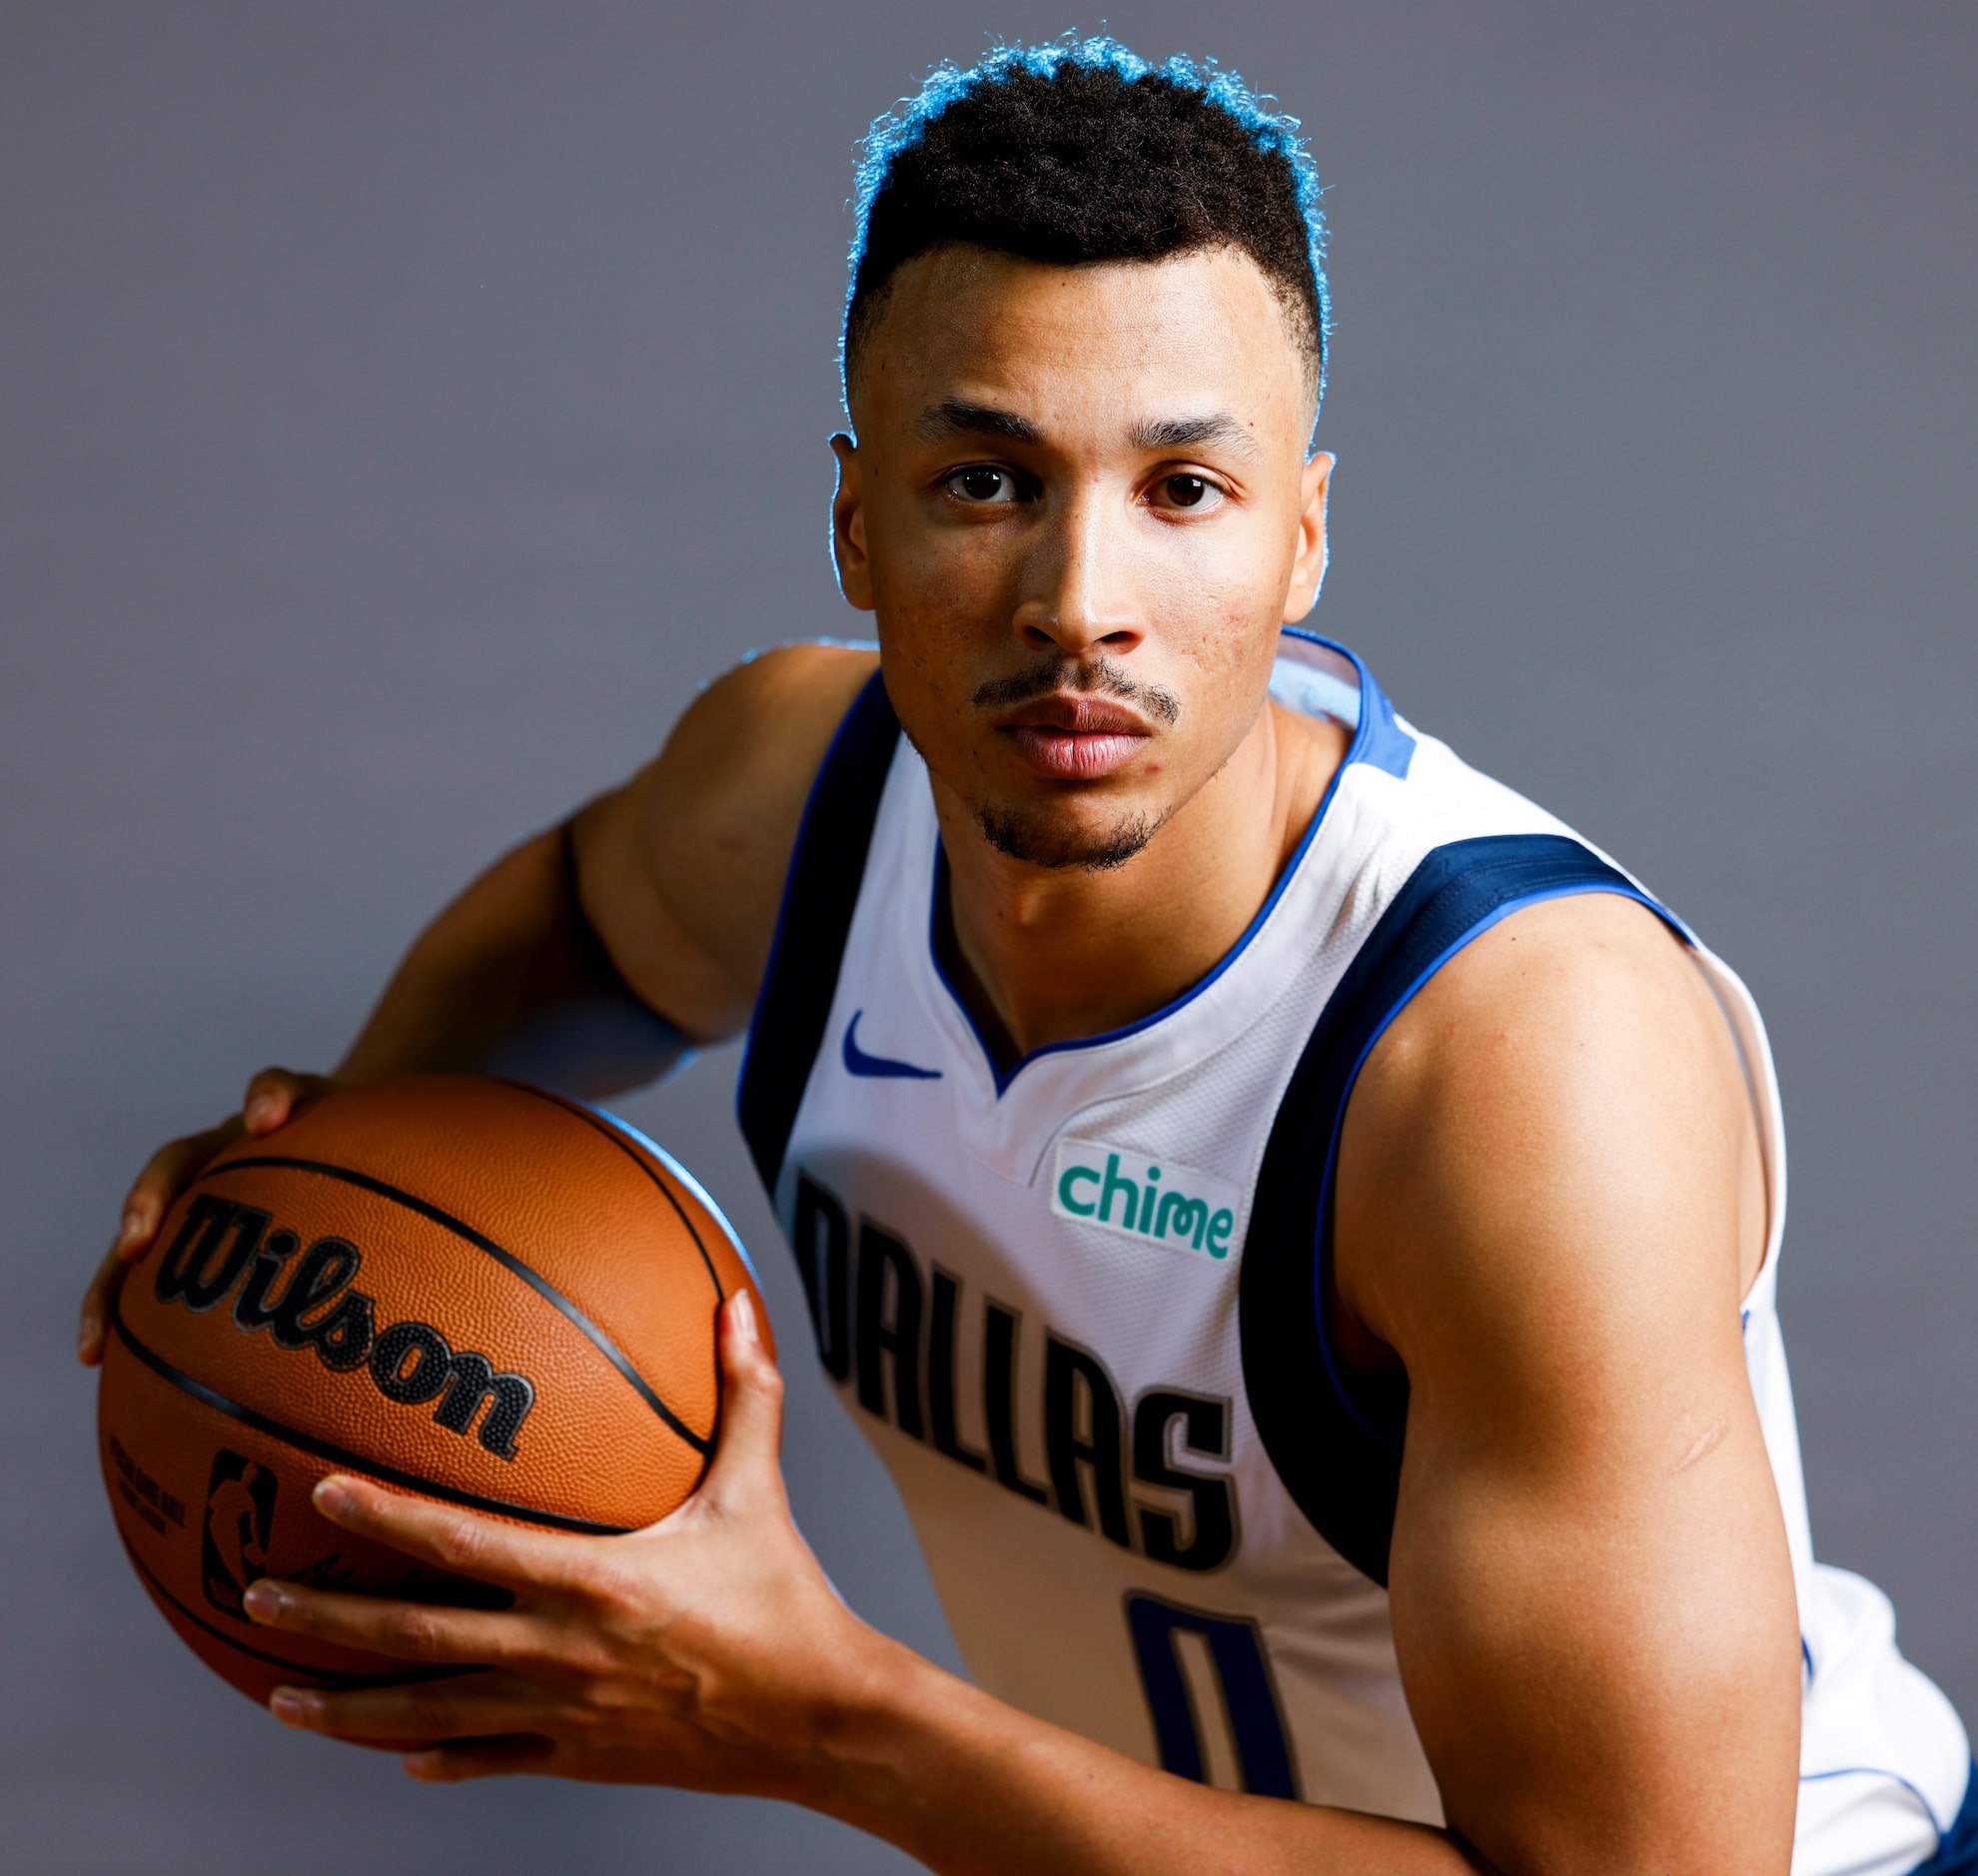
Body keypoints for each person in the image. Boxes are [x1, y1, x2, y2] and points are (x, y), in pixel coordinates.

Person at [76, 37, 1972, 1876]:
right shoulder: (792, 796)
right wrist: (333, 1168)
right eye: (986, 481)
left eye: (1184, 491)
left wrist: (828, 1719)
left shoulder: (1512, 1066)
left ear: (1303, 539)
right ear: (852, 524)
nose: (1081, 606)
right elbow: (580, 919)